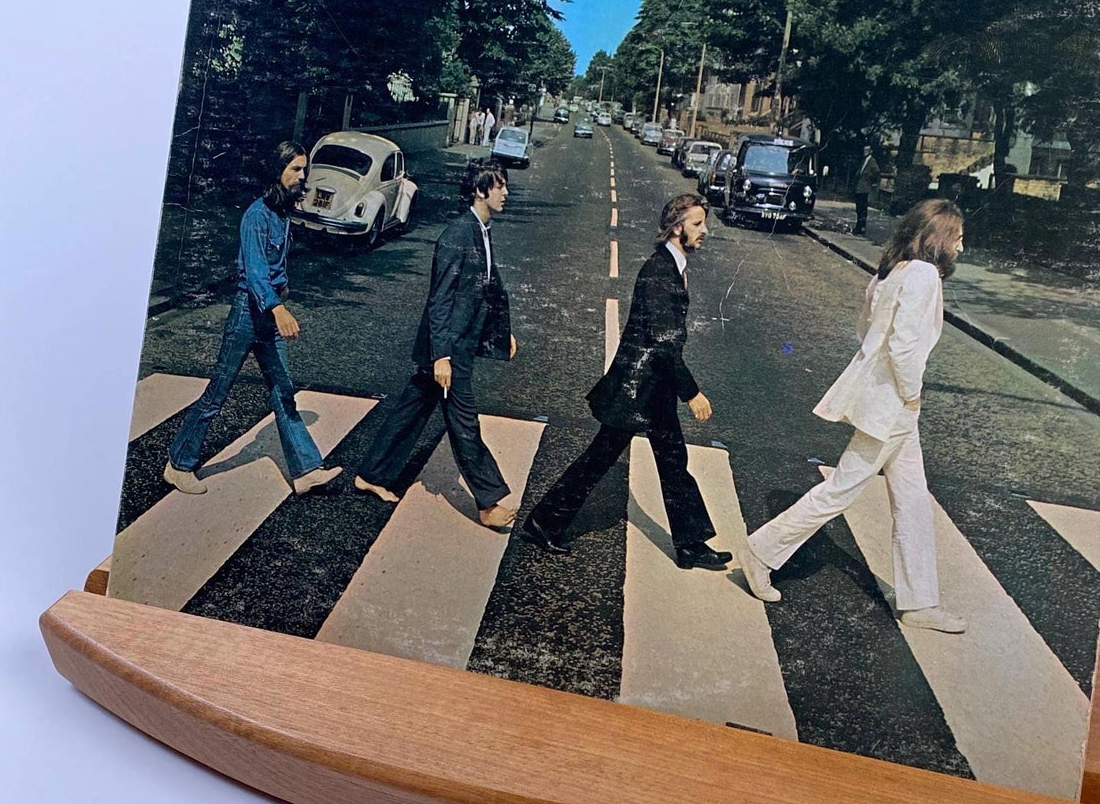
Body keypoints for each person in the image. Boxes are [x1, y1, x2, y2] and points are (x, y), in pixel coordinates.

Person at [738, 198, 967, 633]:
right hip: (895, 406)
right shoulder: (923, 276)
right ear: (938, 238)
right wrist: (912, 395)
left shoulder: (892, 271)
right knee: (841, 490)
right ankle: (762, 550)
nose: (962, 246)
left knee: (914, 500)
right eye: (957, 237)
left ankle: (919, 602)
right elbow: (902, 347)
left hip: (886, 402)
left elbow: (865, 330)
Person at [523, 192, 730, 570]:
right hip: (639, 390)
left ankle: (691, 546)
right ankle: (543, 522)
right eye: (698, 224)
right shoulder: (659, 271)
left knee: (672, 463)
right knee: (599, 459)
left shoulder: (673, 266)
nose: (705, 231)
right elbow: (665, 343)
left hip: (653, 388)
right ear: (677, 226)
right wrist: (693, 393)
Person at [163, 141, 342, 497]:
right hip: (249, 314)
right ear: (276, 171)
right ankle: (178, 464)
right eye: (295, 169)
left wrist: (281, 296)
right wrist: (278, 308)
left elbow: (275, 268)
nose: (302, 176)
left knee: (284, 392)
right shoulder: (256, 216)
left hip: (268, 315)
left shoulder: (281, 212)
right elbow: (257, 272)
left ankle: (305, 470)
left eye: (304, 169)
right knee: (218, 392)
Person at [354, 163, 519, 528]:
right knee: (464, 423)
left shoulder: (481, 230)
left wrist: (501, 331)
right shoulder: (458, 235)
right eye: (500, 186)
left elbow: (489, 287)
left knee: (412, 408)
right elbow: (440, 300)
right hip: (450, 347)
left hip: (458, 341)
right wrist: (441, 355)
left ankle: (372, 474)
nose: (505, 192)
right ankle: (489, 501)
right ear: (480, 190)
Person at [853, 143, 883, 237]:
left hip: (864, 189)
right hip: (859, 188)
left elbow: (877, 172)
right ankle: (858, 226)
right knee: (859, 209)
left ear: (870, 151)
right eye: (864, 150)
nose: (864, 152)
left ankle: (861, 228)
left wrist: (871, 182)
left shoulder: (872, 161)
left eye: (866, 150)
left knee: (862, 209)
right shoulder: (864, 160)